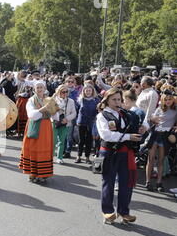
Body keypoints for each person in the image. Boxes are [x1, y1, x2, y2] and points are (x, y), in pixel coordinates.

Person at [96, 88, 145, 225]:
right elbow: (106, 135)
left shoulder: (125, 114)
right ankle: (107, 212)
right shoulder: (102, 115)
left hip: (125, 153)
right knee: (108, 182)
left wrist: (142, 128)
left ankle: (124, 211)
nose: (117, 102)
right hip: (109, 153)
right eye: (114, 100)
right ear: (107, 100)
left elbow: (138, 123)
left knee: (126, 183)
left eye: (119, 99)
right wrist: (129, 136)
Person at [19, 81, 58, 183]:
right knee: (33, 148)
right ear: (34, 89)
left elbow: (54, 115)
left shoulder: (48, 99)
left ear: (44, 88)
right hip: (35, 126)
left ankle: (43, 174)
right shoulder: (31, 100)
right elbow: (31, 115)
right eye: (38, 88)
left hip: (46, 127)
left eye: (41, 87)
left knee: (45, 149)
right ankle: (33, 173)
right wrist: (43, 109)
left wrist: (55, 109)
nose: (40, 89)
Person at [145, 93, 177, 193]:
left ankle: (159, 183)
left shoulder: (175, 110)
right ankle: (148, 182)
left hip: (165, 137)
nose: (167, 101)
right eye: (166, 99)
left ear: (173, 100)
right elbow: (151, 119)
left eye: (169, 99)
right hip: (155, 135)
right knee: (150, 160)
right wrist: (152, 119)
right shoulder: (159, 109)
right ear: (162, 100)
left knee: (161, 161)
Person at [75, 84, 99, 164]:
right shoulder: (80, 100)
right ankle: (78, 156)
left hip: (91, 123)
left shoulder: (96, 100)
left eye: (89, 90)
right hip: (81, 122)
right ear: (84, 91)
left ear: (92, 91)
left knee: (89, 140)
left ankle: (87, 157)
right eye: (86, 90)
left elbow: (98, 111)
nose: (88, 92)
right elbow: (77, 110)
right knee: (81, 140)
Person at [52, 84, 77, 164]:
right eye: (63, 92)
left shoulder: (71, 101)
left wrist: (67, 119)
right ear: (58, 92)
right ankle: (50, 156)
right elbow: (48, 110)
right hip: (55, 122)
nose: (65, 93)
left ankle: (59, 157)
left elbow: (74, 113)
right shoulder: (53, 100)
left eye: (66, 91)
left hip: (65, 123)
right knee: (53, 141)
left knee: (62, 141)